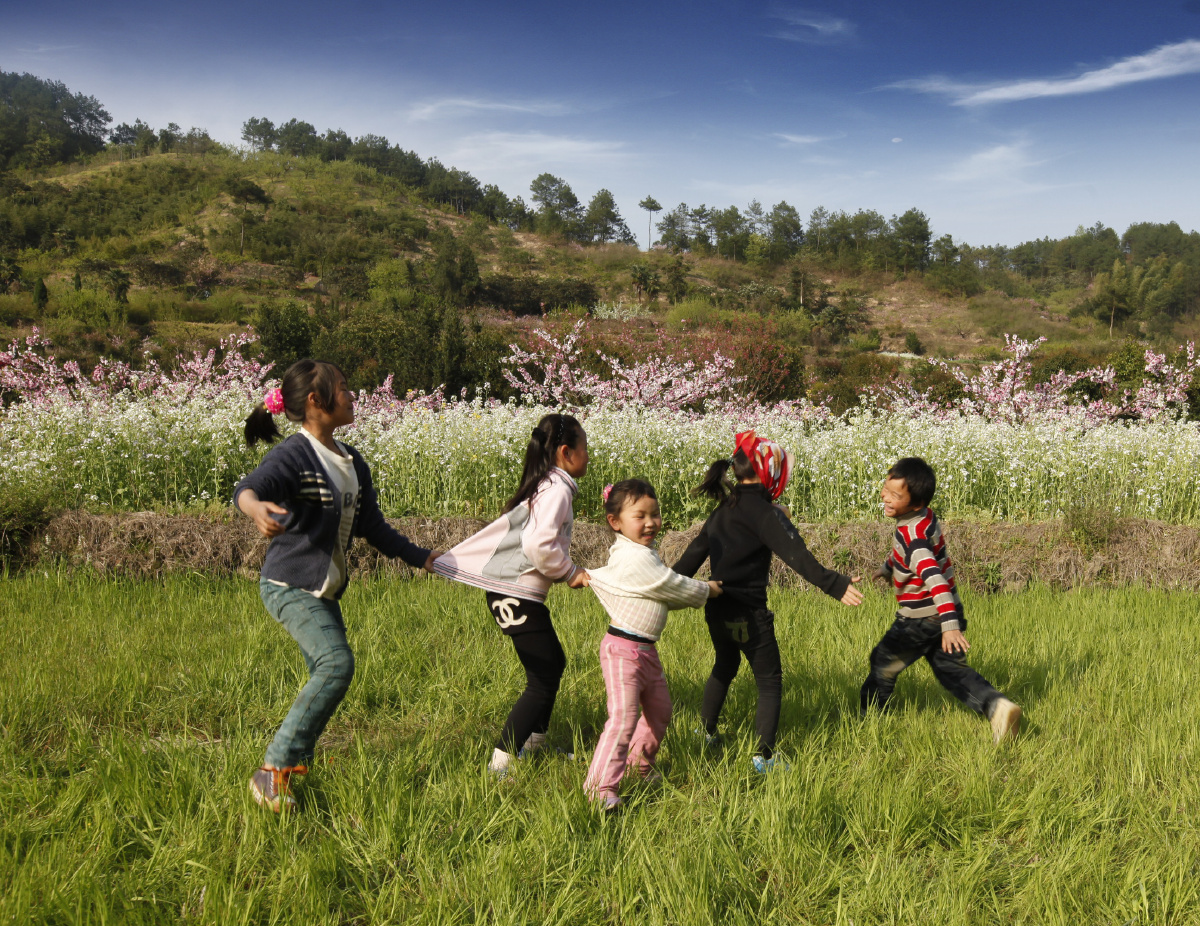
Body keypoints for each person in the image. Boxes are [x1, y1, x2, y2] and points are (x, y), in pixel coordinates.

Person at [234, 360, 439, 812]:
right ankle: (272, 771)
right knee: (336, 665)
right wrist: (256, 510)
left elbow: (373, 528)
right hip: (289, 585)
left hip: (321, 592)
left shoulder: (351, 462)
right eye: (343, 388)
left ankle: (295, 765)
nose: (352, 395)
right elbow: (249, 488)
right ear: (315, 401)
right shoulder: (295, 454)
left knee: (326, 672)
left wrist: (421, 557)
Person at [674, 430, 863, 772]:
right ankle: (764, 757)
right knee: (769, 680)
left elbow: (690, 559)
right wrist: (835, 584)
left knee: (725, 666)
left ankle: (705, 731)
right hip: (749, 616)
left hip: (717, 610)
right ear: (772, 474)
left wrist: (663, 586)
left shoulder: (723, 510)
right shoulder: (765, 514)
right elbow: (798, 557)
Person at [430, 413, 590, 777]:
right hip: (516, 593)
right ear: (566, 452)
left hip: (512, 593)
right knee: (542, 676)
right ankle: (502, 760)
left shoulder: (546, 484)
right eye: (585, 449)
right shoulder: (558, 489)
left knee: (551, 665)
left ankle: (534, 743)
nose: (588, 456)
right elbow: (537, 544)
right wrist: (569, 572)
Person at [583, 479, 721, 810]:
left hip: (646, 651)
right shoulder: (634, 558)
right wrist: (707, 590)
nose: (650, 523)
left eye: (655, 514)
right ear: (615, 522)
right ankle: (600, 788)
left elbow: (661, 593)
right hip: (623, 652)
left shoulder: (645, 554)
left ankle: (638, 767)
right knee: (623, 718)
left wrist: (692, 591)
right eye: (640, 515)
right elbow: (670, 586)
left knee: (659, 712)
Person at [861, 456, 1021, 743]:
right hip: (944, 614)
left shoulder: (914, 540)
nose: (885, 496)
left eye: (895, 495)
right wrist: (888, 569)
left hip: (923, 618)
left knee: (882, 662)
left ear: (915, 503)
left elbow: (934, 579)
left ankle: (868, 723)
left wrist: (949, 626)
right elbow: (909, 554)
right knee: (950, 670)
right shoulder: (924, 519)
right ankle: (998, 706)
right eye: (886, 488)